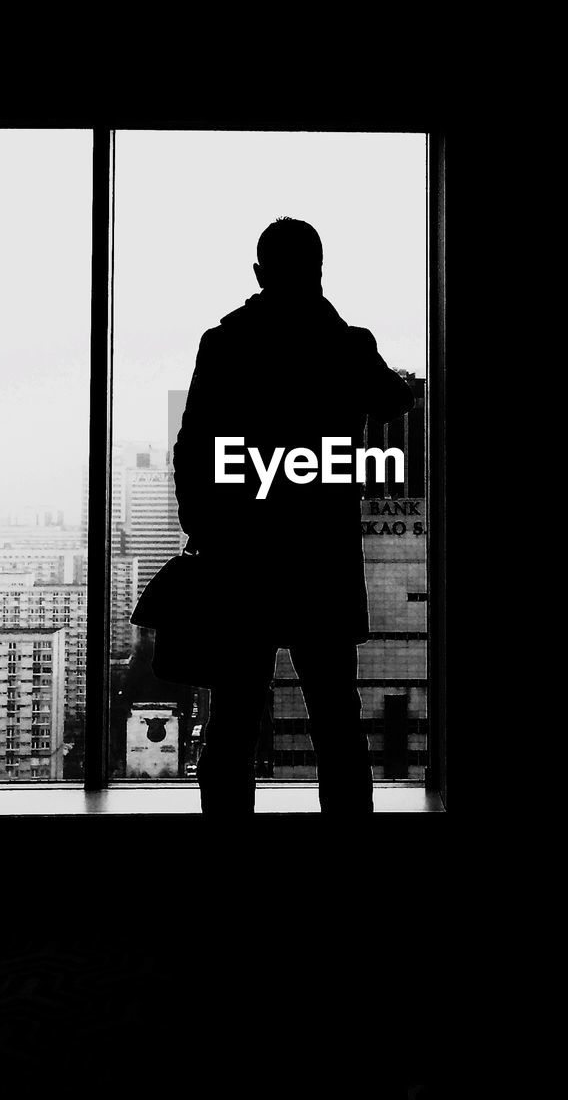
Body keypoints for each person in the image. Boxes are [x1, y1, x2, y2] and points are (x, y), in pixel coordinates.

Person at [171, 217, 414, 816]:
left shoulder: (225, 343)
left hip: (243, 555)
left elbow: (192, 446)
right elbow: (394, 399)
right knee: (337, 720)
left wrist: (203, 528)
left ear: (258, 273)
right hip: (320, 558)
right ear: (319, 272)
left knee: (232, 720)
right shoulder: (346, 344)